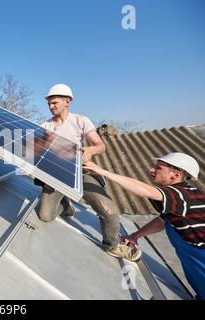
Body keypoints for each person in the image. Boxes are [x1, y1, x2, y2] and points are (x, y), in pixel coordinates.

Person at [37, 84, 141, 261]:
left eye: (54, 102)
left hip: (81, 171)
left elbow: (101, 146)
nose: (51, 106)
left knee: (111, 212)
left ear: (67, 101)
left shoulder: (80, 121)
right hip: (57, 173)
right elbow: (37, 150)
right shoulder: (46, 126)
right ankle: (65, 205)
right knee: (45, 216)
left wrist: (91, 151)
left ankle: (113, 245)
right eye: (49, 103)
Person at [84, 153, 204, 299]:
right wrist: (136, 235)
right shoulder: (180, 197)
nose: (151, 170)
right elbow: (163, 220)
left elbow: (145, 191)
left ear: (176, 175)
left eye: (158, 168)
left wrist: (102, 172)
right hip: (194, 261)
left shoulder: (181, 195)